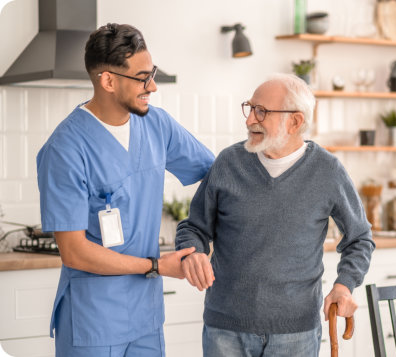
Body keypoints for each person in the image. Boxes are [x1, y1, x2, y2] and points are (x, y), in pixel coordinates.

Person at [36, 23, 214, 356]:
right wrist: (156, 265)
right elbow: (73, 251)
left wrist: (200, 236)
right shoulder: (65, 148)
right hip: (93, 321)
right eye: (142, 77)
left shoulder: (156, 125)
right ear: (108, 80)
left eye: (153, 73)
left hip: (146, 318)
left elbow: (216, 174)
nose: (153, 86)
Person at [175, 73, 375, 357]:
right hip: (225, 330)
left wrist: (344, 284)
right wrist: (193, 251)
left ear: (295, 121)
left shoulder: (328, 171)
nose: (249, 120)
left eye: (262, 112)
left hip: (296, 333)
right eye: (250, 108)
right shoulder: (228, 163)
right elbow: (193, 227)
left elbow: (360, 238)